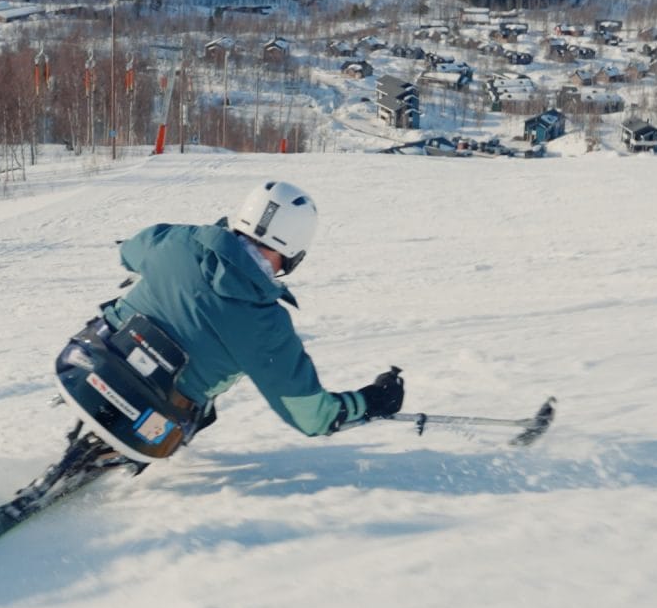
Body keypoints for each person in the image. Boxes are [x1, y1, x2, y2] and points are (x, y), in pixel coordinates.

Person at [59, 180, 404, 468]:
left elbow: (130, 251)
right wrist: (372, 401)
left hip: (84, 364)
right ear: (296, 249)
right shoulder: (266, 324)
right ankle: (119, 447)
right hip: (153, 426)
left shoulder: (180, 240)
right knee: (202, 410)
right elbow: (312, 417)